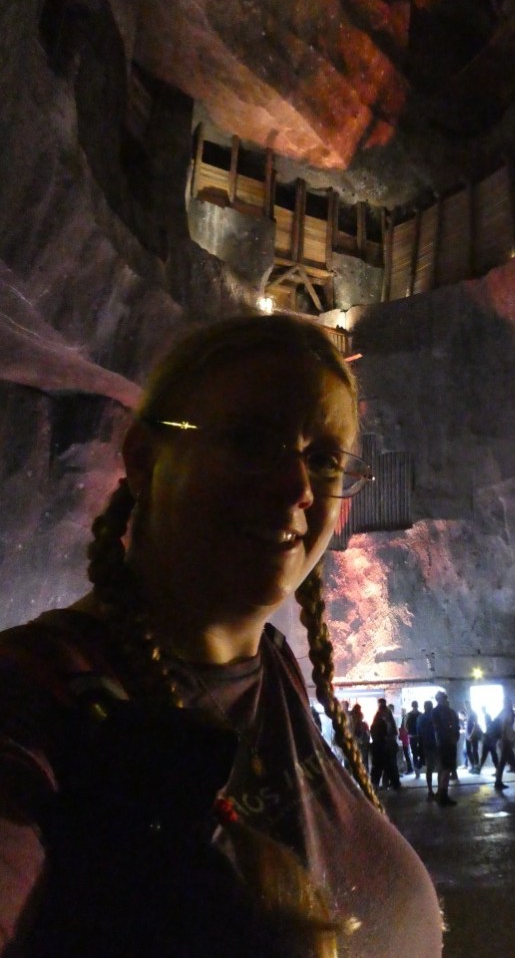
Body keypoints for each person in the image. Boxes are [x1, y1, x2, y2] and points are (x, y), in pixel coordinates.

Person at [0, 314, 442, 956]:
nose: (296, 488)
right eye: (251, 441)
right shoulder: (36, 691)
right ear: (146, 460)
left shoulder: (272, 664)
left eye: (322, 460)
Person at [431, 691, 460, 806]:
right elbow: (452, 726)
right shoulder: (447, 711)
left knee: (444, 770)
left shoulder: (436, 711)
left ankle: (442, 795)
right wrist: (453, 737)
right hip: (446, 743)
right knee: (446, 770)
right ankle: (443, 796)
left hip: (443, 743)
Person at [495, 701, 515, 791]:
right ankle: (498, 782)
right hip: (506, 741)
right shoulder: (507, 714)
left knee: (511, 760)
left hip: (504, 740)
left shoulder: (502, 713)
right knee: (503, 762)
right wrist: (509, 740)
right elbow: (505, 727)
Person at [370, 699, 401, 791]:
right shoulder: (381, 722)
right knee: (386, 767)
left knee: (385, 767)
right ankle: (389, 785)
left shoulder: (379, 721)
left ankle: (386, 785)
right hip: (383, 748)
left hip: (383, 748)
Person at [416, 700, 439, 800]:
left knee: (429, 769)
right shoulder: (435, 717)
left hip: (426, 746)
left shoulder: (420, 718)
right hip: (436, 745)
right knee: (439, 768)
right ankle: (439, 790)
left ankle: (430, 790)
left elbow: (419, 734)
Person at [350, 703, 371, 774]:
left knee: (361, 761)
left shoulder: (363, 725)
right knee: (362, 761)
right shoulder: (356, 724)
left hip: (360, 745)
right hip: (360, 745)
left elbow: (367, 734)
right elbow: (367, 734)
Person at [405, 700, 422, 779]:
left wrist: (408, 732)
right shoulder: (420, 714)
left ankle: (416, 769)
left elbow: (406, 726)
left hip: (412, 736)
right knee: (420, 753)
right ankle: (417, 768)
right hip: (419, 736)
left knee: (415, 754)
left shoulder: (409, 715)